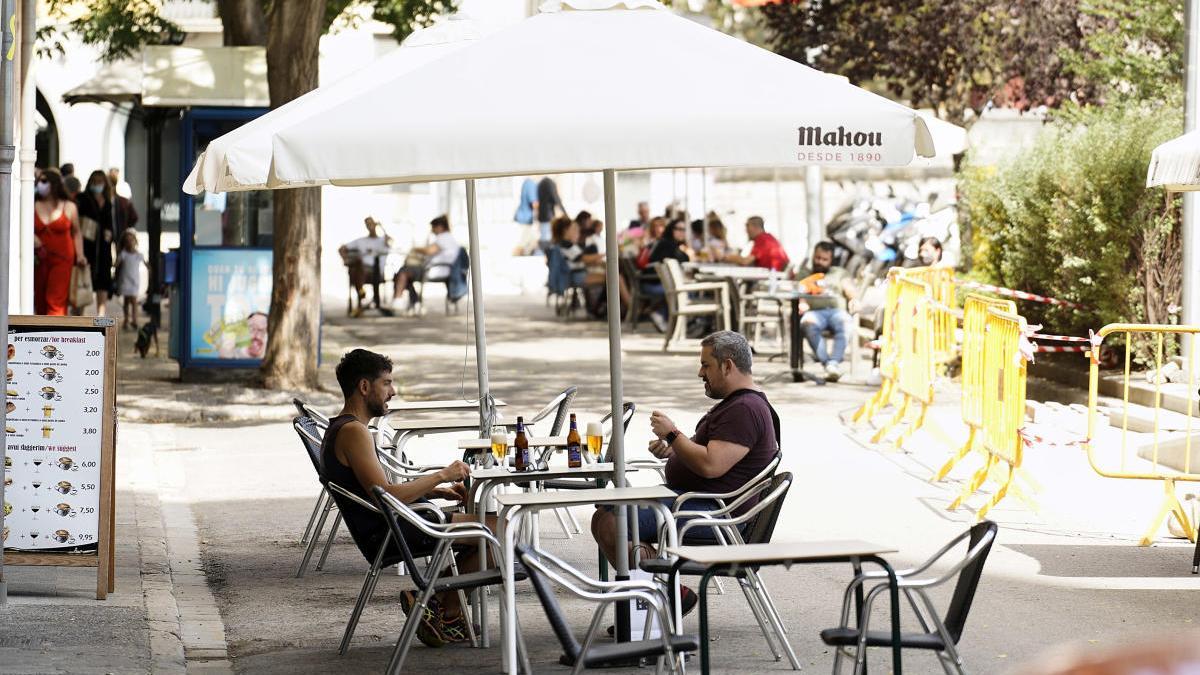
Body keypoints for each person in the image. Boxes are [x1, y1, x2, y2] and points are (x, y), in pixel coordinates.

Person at [590, 331, 780, 620]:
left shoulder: (745, 409)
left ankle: (663, 600)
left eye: (706, 365)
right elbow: (708, 455)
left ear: (728, 366)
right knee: (607, 515)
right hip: (696, 505)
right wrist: (673, 452)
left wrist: (673, 433)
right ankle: (655, 604)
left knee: (613, 521)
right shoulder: (738, 405)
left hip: (715, 516)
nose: (700, 372)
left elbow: (711, 465)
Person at [323, 349, 483, 646]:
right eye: (387, 383)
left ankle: (440, 609)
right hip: (392, 531)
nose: (392, 392)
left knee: (493, 528)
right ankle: (434, 604)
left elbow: (377, 489)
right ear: (364, 387)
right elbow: (386, 496)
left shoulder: (343, 428)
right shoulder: (353, 432)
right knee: (498, 530)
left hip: (392, 525)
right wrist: (441, 475)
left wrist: (436, 491)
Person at [794, 241, 858, 382]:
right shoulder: (804, 273)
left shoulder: (839, 273)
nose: (820, 262)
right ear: (813, 256)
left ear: (831, 260)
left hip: (837, 311)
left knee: (846, 323)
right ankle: (829, 364)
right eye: (817, 258)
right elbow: (797, 293)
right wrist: (802, 303)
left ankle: (833, 363)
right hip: (814, 312)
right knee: (808, 323)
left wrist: (853, 298)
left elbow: (849, 289)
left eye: (824, 259)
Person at [33, 169, 85, 316]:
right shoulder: (32, 205)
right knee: (40, 300)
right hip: (39, 260)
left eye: (44, 181)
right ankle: (42, 334)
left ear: (54, 184)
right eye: (39, 181)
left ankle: (55, 336)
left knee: (55, 300)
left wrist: (80, 255)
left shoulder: (69, 207)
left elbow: (77, 232)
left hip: (62, 260)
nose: (40, 184)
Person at [392, 215, 461, 315]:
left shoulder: (443, 238)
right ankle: (414, 302)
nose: (432, 230)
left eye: (433, 228)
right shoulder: (448, 237)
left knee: (403, 273)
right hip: (440, 268)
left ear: (440, 227)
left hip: (434, 270)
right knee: (404, 272)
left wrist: (415, 248)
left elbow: (429, 251)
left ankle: (398, 300)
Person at [75, 170, 118, 317]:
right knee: (83, 281)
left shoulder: (108, 202)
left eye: (100, 181)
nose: (97, 184)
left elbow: (111, 225)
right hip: (87, 246)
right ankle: (78, 316)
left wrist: (110, 236)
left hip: (104, 248)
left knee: (103, 282)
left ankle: (101, 315)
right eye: (95, 181)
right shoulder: (83, 198)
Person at [339, 217, 393, 317]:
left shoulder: (382, 241)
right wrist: (345, 259)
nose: (370, 226)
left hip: (375, 271)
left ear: (376, 225)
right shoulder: (361, 241)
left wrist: (382, 227)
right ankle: (361, 293)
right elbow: (342, 248)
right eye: (367, 224)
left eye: (372, 224)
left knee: (355, 268)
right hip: (360, 270)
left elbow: (390, 241)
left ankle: (361, 297)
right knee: (357, 266)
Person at [114, 229, 145, 330]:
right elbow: (116, 264)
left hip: (134, 280)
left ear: (135, 241)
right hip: (125, 280)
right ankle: (127, 319)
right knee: (127, 301)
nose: (130, 243)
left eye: (131, 240)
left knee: (134, 301)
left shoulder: (138, 254)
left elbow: (146, 263)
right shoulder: (123, 254)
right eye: (127, 241)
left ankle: (134, 320)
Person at [535, 176, 563, 253]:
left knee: (544, 235)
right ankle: (544, 254)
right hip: (547, 215)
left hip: (543, 214)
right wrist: (564, 212)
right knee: (546, 238)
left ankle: (543, 253)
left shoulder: (541, 183)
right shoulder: (549, 183)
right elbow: (555, 199)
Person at [513, 177, 539, 255]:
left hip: (523, 217)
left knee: (527, 241)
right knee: (523, 242)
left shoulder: (527, 182)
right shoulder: (531, 183)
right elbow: (534, 203)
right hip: (526, 218)